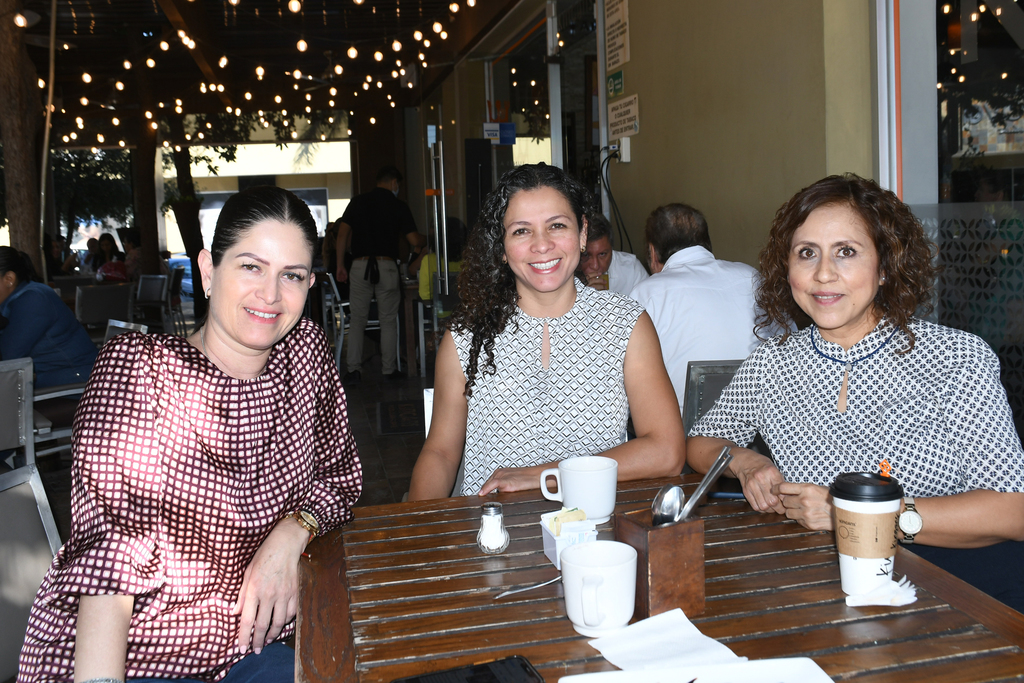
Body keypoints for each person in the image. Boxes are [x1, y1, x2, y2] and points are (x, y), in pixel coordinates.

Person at [18, 186, 363, 682]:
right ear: (206, 270)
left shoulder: (304, 352)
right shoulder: (140, 372)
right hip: (139, 656)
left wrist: (292, 532)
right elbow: (108, 561)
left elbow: (340, 478)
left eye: (292, 275)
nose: (271, 294)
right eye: (251, 266)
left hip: (250, 649)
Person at [687, 174, 1024, 611]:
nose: (823, 273)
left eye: (846, 252)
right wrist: (747, 462)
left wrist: (852, 519)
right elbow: (701, 442)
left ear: (885, 267)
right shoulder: (773, 363)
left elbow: (1011, 510)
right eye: (806, 253)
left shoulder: (954, 358)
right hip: (825, 588)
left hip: (959, 589)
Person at [407, 163, 685, 500]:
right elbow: (441, 454)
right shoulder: (467, 335)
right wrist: (419, 533)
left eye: (557, 225)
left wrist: (544, 476)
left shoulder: (626, 324)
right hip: (494, 537)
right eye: (522, 231)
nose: (542, 245)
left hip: (594, 532)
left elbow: (667, 451)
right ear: (502, 244)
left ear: (582, 232)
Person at [628, 203, 762, 414]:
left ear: (653, 253)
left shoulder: (647, 294)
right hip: (762, 428)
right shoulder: (753, 277)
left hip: (682, 434)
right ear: (707, 244)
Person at [335, 165, 426, 383]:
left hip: (359, 265)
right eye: (398, 185)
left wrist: (340, 264)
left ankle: (354, 371)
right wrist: (427, 239)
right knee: (388, 320)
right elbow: (414, 240)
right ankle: (389, 369)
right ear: (394, 182)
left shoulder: (357, 202)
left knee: (357, 319)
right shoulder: (398, 205)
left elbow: (342, 234)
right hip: (386, 266)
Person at [0, 247, 97, 388]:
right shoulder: (18, 296)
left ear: (9, 279)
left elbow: (7, 358)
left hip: (77, 384)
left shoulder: (33, 299)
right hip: (50, 378)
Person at [580, 213, 648, 296]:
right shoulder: (564, 273)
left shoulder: (631, 269)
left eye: (602, 254)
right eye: (586, 255)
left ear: (612, 250)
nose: (595, 266)